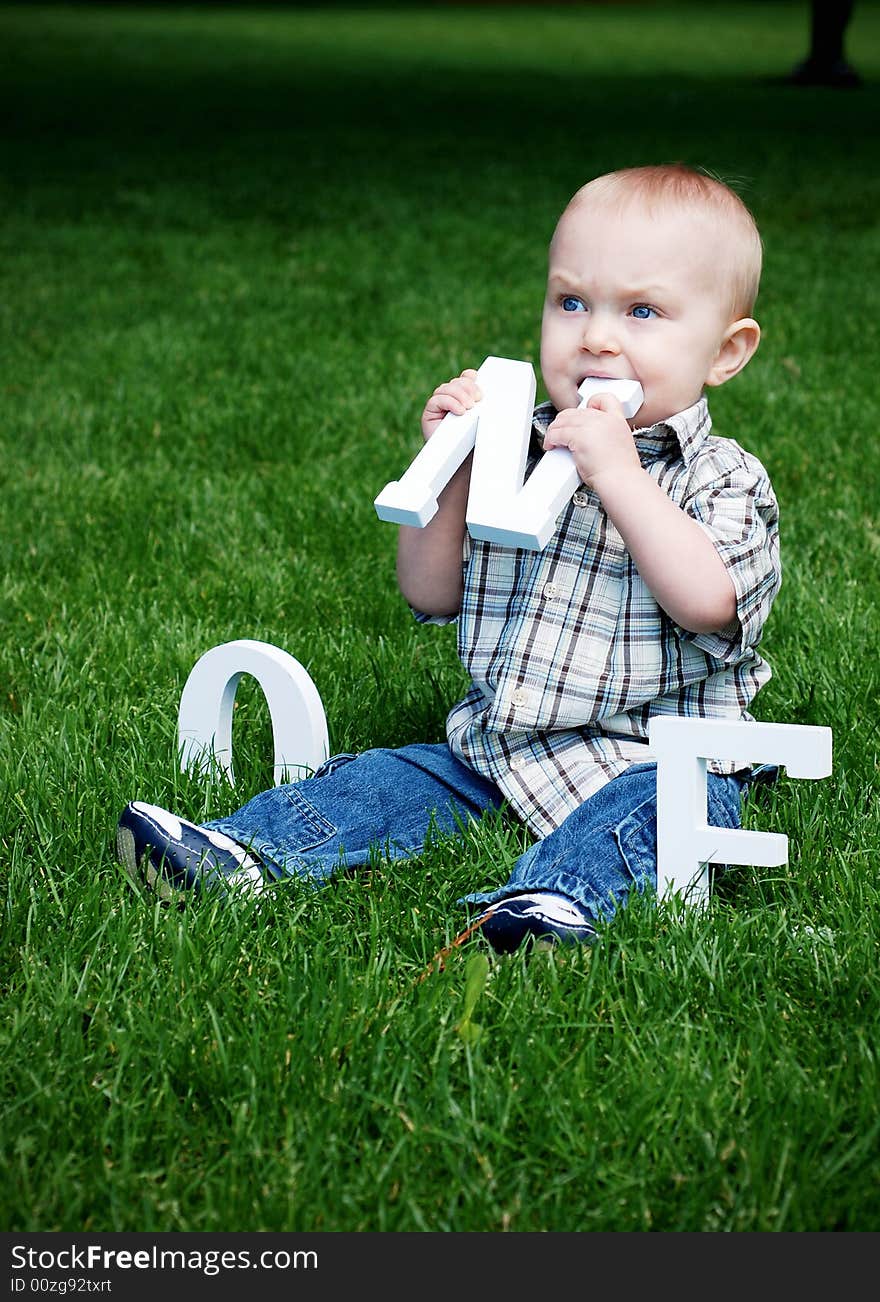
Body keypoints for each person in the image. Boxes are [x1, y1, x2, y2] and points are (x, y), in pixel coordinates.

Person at [117, 163, 781, 954]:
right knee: (387, 782)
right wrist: (457, 468)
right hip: (501, 748)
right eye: (571, 301)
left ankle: (548, 907)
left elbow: (709, 602)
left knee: (659, 815)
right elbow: (430, 593)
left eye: (643, 311)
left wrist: (622, 478)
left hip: (656, 760)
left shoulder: (723, 479)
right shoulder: (518, 451)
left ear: (726, 351)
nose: (596, 335)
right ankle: (239, 851)